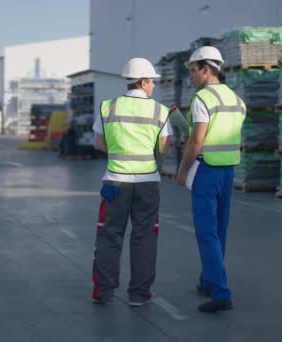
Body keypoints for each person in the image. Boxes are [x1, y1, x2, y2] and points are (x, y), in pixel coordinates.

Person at [91, 58, 173, 307]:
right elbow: (163, 148)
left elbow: (98, 143)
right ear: (144, 81)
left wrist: (118, 153)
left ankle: (103, 292)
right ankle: (139, 294)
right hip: (147, 184)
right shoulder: (160, 111)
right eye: (152, 82)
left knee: (109, 236)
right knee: (145, 238)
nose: (154, 87)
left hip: (115, 182)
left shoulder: (108, 107)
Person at [175, 46, 246, 313]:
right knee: (218, 231)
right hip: (228, 172)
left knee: (206, 234)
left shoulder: (202, 98)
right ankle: (209, 281)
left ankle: (220, 293)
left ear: (206, 68)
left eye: (193, 70)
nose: (190, 76)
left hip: (206, 172)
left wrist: (183, 172)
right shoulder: (236, 100)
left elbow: (197, 140)